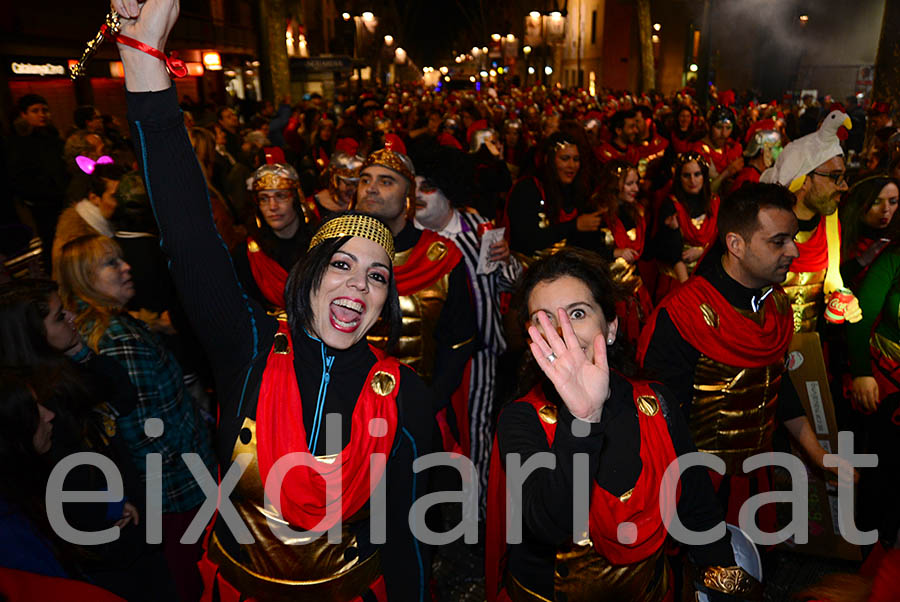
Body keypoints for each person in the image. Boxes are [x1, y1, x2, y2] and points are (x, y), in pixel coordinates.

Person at [114, 2, 433, 597]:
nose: (358, 287)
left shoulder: (406, 398)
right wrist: (144, 59)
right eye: (341, 265)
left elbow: (407, 542)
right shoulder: (248, 346)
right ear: (308, 275)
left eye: (377, 277)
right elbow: (187, 234)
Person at [486, 248, 758, 602]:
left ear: (611, 327)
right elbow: (550, 524)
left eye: (578, 314)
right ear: (532, 340)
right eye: (544, 320)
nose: (563, 333)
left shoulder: (656, 403)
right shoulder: (521, 419)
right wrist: (582, 419)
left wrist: (723, 576)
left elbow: (696, 501)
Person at [640, 182, 854, 535]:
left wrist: (816, 453)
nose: (794, 252)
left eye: (793, 238)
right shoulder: (684, 315)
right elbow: (659, 420)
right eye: (778, 241)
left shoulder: (777, 305)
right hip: (696, 484)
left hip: (756, 476)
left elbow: (775, 383)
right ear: (736, 244)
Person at [55, 234, 215, 601]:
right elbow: (144, 434)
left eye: (121, 259)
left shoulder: (92, 327)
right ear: (84, 278)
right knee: (193, 580)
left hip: (165, 492)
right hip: (178, 491)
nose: (126, 267)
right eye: (111, 263)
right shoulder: (117, 339)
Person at [413, 145, 522, 518]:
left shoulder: (480, 227)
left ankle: (475, 518)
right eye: (412, 186)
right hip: (430, 362)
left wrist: (507, 259)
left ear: (448, 191)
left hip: (481, 355)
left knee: (475, 434)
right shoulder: (408, 238)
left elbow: (512, 283)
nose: (416, 196)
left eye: (426, 187)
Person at [355, 135, 477, 420]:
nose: (371, 189)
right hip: (350, 411)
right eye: (365, 180)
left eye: (386, 181)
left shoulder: (441, 258)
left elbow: (458, 343)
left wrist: (426, 405)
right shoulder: (335, 254)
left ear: (408, 194)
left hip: (419, 412)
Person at [760, 109, 854, 332]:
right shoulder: (758, 230)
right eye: (834, 177)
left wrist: (843, 301)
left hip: (809, 353)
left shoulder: (830, 229)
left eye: (843, 177)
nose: (844, 186)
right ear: (803, 180)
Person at [845, 242, 900, 544]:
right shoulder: (894, 258)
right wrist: (862, 372)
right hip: (889, 379)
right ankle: (873, 543)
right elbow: (860, 317)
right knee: (883, 466)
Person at [576, 159, 653, 345]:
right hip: (605, 290)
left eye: (637, 183)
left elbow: (647, 250)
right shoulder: (596, 209)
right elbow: (582, 249)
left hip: (634, 288)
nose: (635, 188)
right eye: (629, 184)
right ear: (614, 185)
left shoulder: (636, 210)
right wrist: (614, 253)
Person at [231, 163, 316, 311]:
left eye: (281, 196)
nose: (272, 206)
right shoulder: (246, 255)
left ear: (296, 198)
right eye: (264, 199)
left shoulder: (320, 245)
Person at [507, 132, 600, 264]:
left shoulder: (579, 191)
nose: (571, 165)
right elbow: (526, 240)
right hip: (529, 269)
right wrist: (574, 225)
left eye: (576, 159)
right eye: (565, 158)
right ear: (548, 159)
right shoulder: (527, 189)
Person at [7, 94, 68, 270]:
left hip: (61, 200)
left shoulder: (53, 138)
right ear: (23, 114)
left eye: (45, 110)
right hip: (41, 206)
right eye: (35, 111)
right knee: (50, 244)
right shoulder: (17, 143)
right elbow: (18, 177)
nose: (42, 115)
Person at [651, 151, 720, 300]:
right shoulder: (670, 205)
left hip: (709, 274)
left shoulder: (715, 202)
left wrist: (702, 251)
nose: (692, 180)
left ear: (704, 176)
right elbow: (673, 254)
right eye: (686, 175)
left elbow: (723, 241)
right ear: (679, 178)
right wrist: (688, 292)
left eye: (697, 174)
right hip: (678, 280)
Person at [52, 164, 128, 271]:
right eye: (115, 196)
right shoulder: (77, 243)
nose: (123, 202)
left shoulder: (113, 224)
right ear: (94, 198)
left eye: (124, 195)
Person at [839, 174, 899, 290]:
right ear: (859, 203)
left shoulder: (895, 240)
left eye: (893, 201)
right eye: (876, 202)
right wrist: (860, 262)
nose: (886, 209)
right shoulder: (839, 236)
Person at [692, 105, 744, 194]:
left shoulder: (732, 147)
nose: (723, 133)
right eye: (719, 127)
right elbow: (701, 191)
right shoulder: (698, 151)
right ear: (708, 126)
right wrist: (727, 172)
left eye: (728, 128)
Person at [729, 119, 782, 195]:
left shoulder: (757, 175)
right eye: (777, 147)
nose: (780, 151)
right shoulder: (749, 180)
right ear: (765, 151)